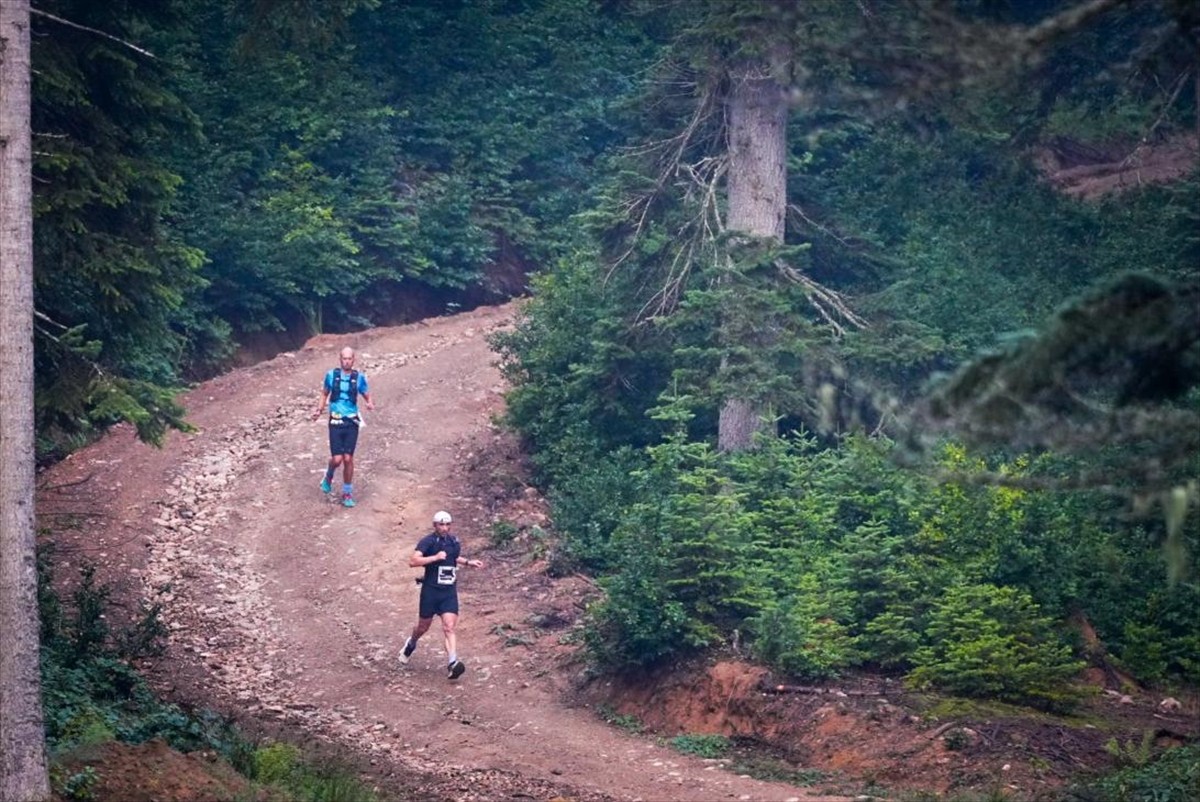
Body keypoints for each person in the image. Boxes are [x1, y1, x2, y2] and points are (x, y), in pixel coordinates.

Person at [398, 510, 484, 679]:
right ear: (435, 525)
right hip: (430, 591)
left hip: (448, 592)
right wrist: (435, 557)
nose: (445, 528)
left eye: (447, 524)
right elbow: (413, 561)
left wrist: (468, 562)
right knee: (423, 627)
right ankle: (411, 643)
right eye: (441, 525)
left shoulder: (454, 541)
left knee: (449, 627)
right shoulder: (427, 542)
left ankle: (452, 662)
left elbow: (453, 557)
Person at [312, 346, 374, 507]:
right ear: (340, 360)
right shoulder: (331, 375)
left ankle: (347, 492)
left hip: (351, 421)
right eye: (344, 358)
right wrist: (319, 410)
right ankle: (329, 475)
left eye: (349, 358)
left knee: (348, 458)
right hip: (335, 420)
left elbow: (365, 392)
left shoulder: (359, 377)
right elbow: (325, 393)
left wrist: (369, 402)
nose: (347, 361)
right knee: (337, 459)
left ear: (354, 360)